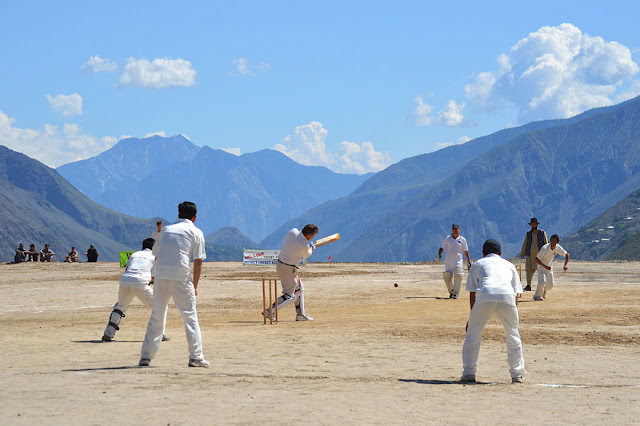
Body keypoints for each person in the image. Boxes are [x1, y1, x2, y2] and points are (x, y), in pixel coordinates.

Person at [139, 201, 208, 368]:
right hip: (180, 276)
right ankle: (196, 356)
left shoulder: (166, 230)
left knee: (157, 314)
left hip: (161, 275)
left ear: (178, 214)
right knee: (190, 316)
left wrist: (155, 276)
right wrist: (195, 285)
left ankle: (146, 356)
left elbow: (155, 254)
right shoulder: (195, 231)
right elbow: (198, 262)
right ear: (195, 217)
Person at [461, 239, 525, 384]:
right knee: (513, 335)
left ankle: (469, 372)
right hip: (507, 297)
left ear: (483, 253)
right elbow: (515, 294)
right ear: (500, 253)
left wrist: (472, 318)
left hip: (485, 296)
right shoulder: (509, 265)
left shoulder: (478, 264)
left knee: (473, 335)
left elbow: (472, 292)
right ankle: (517, 374)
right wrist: (514, 321)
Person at [102, 238, 169, 342]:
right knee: (161, 306)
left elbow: (127, 268)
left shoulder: (134, 254)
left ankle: (108, 333)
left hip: (125, 280)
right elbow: (155, 276)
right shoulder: (154, 257)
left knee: (120, 307)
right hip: (140, 282)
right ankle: (159, 334)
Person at [263, 224, 318, 322]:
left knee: (299, 288)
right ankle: (270, 311)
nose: (312, 237)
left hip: (283, 265)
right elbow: (307, 254)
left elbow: (298, 246)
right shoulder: (304, 245)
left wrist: (308, 246)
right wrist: (312, 248)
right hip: (287, 269)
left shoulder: (293, 231)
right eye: (312, 235)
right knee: (290, 295)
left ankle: (301, 314)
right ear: (308, 234)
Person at [437, 224, 471, 299]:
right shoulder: (447, 238)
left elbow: (465, 251)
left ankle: (456, 293)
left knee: (458, 275)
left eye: (456, 229)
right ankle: (451, 292)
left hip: (458, 261)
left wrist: (468, 261)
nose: (455, 230)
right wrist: (439, 253)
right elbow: (442, 247)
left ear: (459, 229)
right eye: (453, 229)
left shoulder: (462, 240)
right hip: (448, 261)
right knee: (447, 277)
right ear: (452, 229)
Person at [534, 234, 569, 301]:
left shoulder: (558, 248)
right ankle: (537, 296)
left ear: (557, 242)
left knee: (551, 284)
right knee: (542, 282)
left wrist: (565, 265)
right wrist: (545, 266)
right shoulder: (545, 248)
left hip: (549, 267)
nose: (553, 243)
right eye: (551, 241)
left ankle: (544, 291)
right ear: (550, 241)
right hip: (541, 266)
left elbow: (567, 254)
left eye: (554, 241)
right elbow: (536, 259)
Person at [520, 218, 548, 291]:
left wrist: (546, 253)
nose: (533, 225)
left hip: (539, 256)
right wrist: (522, 253)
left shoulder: (542, 233)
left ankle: (542, 286)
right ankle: (528, 285)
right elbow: (525, 243)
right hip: (530, 255)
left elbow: (546, 243)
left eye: (534, 224)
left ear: (537, 224)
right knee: (528, 270)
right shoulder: (528, 234)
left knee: (541, 271)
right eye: (532, 224)